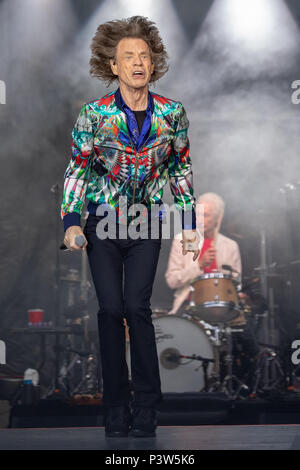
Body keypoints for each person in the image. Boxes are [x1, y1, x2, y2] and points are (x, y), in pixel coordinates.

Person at [61, 16, 200, 438]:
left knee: (138, 310)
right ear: (114, 66)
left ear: (152, 63)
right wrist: (70, 222)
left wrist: (189, 223)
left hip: (146, 222)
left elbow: (181, 167)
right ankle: (116, 406)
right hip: (102, 221)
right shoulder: (94, 115)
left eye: (144, 55)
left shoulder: (172, 113)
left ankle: (146, 408)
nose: (138, 63)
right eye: (128, 57)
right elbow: (77, 169)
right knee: (110, 311)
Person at [165, 192, 241, 315]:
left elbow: (236, 283)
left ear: (217, 218)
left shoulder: (230, 246)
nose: (199, 220)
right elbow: (172, 281)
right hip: (188, 307)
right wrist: (199, 265)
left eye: (205, 215)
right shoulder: (181, 240)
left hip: (221, 309)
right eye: (198, 214)